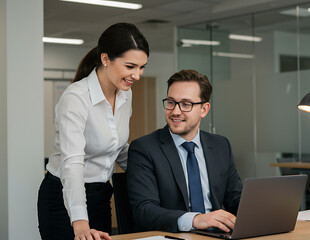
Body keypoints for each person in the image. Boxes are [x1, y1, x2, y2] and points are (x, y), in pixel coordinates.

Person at [37, 22, 149, 240]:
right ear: (105, 59)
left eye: (142, 67)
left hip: (100, 194)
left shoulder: (126, 95)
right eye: (130, 66)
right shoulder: (76, 98)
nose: (137, 75)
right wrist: (80, 224)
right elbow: (73, 163)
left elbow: (116, 147)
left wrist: (150, 169)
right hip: (63, 197)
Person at [127, 69, 243, 233]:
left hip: (218, 235)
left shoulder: (220, 145)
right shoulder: (144, 148)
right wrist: (195, 220)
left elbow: (236, 199)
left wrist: (265, 210)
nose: (175, 111)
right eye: (171, 102)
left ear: (204, 109)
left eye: (186, 104)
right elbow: (144, 211)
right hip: (174, 235)